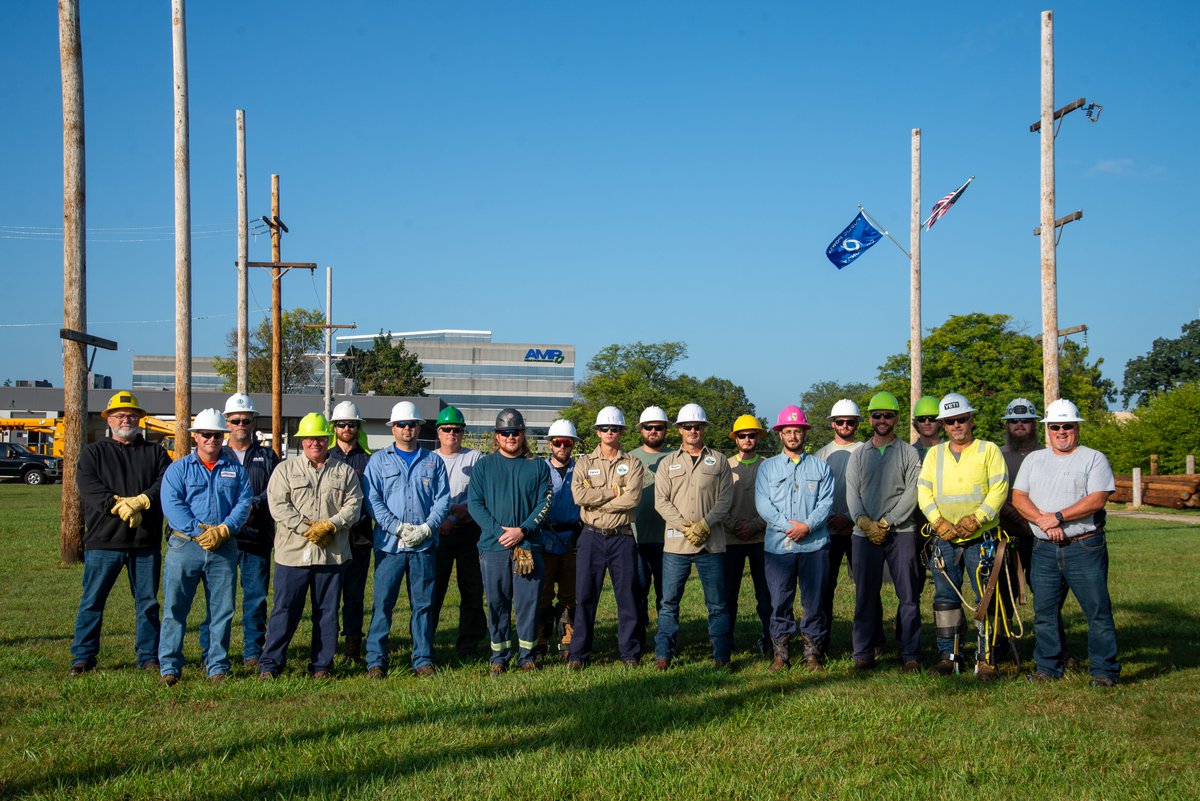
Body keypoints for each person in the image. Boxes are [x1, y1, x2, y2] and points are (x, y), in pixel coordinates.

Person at [1012, 399, 1119, 687]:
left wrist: (1058, 517)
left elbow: (1097, 498)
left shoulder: (1093, 458)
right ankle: (1048, 667)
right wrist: (1043, 521)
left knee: (1097, 611)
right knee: (1045, 612)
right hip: (1044, 549)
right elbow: (1019, 497)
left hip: (1084, 547)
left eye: (1067, 426)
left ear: (1077, 428)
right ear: (1047, 429)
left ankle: (1104, 672)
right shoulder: (1034, 460)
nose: (1061, 431)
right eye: (1055, 426)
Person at [69, 391, 172, 676]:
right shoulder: (94, 453)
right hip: (103, 542)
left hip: (144, 542)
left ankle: (149, 656)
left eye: (131, 415)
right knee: (92, 601)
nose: (126, 420)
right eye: (119, 416)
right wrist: (117, 506)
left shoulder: (156, 452)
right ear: (110, 420)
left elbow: (166, 482)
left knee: (148, 603)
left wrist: (142, 501)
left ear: (139, 419)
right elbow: (88, 486)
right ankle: (83, 657)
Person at [260, 413, 363, 679]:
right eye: (309, 439)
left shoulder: (345, 472)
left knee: (327, 612)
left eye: (319, 438)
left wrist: (331, 525)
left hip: (331, 555)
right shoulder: (285, 470)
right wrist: (307, 528)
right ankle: (271, 664)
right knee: (284, 610)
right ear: (302, 441)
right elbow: (278, 506)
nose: (314, 443)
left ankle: (321, 665)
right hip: (293, 554)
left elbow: (354, 505)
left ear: (327, 440)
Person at [916, 393, 1009, 680]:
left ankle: (987, 659)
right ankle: (949, 656)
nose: (957, 425)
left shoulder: (988, 450)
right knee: (945, 599)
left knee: (987, 598)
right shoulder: (935, 454)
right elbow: (924, 491)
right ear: (944, 425)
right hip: (944, 538)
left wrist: (977, 518)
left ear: (971, 420)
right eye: (951, 421)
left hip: (981, 539)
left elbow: (999, 489)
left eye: (962, 419)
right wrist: (937, 521)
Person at [158, 409, 252, 685]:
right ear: (195, 437)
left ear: (223, 438)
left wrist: (225, 529)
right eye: (206, 434)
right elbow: (173, 505)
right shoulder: (178, 469)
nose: (212, 439)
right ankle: (170, 668)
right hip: (184, 547)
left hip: (223, 547)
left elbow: (243, 503)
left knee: (222, 610)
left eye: (217, 435)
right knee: (175, 609)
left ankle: (217, 666)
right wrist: (199, 533)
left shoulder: (236, 470)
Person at [363, 401, 450, 678]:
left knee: (423, 605)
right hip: (390, 547)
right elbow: (373, 500)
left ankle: (423, 659)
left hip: (423, 546)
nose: (407, 429)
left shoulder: (433, 461)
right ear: (393, 428)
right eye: (402, 424)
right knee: (383, 604)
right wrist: (397, 528)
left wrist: (427, 528)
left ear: (419, 426)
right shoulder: (378, 461)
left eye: (412, 424)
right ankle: (376, 661)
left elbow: (443, 499)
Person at [197, 392, 279, 670]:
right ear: (227, 423)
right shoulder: (217, 453)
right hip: (222, 540)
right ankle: (210, 652)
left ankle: (252, 652)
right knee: (218, 600)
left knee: (255, 599)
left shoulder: (268, 456)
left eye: (246, 419)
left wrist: (253, 506)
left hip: (257, 538)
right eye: (235, 420)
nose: (241, 424)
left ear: (254, 422)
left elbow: (277, 489)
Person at [467, 408, 552, 674]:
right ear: (497, 436)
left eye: (515, 432)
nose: (511, 437)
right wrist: (498, 531)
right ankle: (499, 656)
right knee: (496, 601)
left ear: (523, 434)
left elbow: (544, 503)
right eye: (505, 432)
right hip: (493, 547)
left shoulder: (537, 465)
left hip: (528, 545)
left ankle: (526, 655)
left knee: (527, 603)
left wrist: (522, 531)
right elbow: (474, 504)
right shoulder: (484, 466)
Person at [844, 392, 923, 672]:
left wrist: (887, 522)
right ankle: (863, 653)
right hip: (863, 535)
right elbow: (852, 494)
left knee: (909, 596)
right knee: (865, 594)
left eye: (887, 415)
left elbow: (913, 493)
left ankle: (911, 653)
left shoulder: (908, 453)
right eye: (877, 415)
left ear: (897, 419)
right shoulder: (859, 455)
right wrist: (865, 523)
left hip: (901, 532)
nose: (882, 420)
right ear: (869, 419)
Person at [653, 403, 734, 670]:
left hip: (711, 544)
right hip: (676, 544)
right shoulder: (667, 463)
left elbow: (725, 499)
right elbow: (661, 501)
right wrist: (686, 527)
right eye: (688, 426)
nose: (693, 430)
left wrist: (705, 524)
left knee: (718, 604)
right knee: (668, 603)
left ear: (704, 428)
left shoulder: (719, 460)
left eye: (697, 426)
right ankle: (664, 655)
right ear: (679, 430)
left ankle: (721, 656)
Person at [754, 406, 834, 673]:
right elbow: (763, 504)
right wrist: (789, 528)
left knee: (814, 602)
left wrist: (807, 526)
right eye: (787, 431)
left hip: (814, 546)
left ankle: (812, 654)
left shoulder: (821, 467)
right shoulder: (767, 468)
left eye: (797, 431)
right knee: (779, 601)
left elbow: (826, 503)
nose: (792, 436)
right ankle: (781, 654)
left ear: (804, 433)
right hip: (779, 547)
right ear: (780, 435)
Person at [569, 406, 645, 669]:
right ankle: (578, 654)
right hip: (590, 537)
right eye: (605, 428)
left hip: (621, 538)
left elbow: (633, 498)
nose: (609, 432)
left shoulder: (632, 463)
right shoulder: (584, 463)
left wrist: (598, 502)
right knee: (586, 597)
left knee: (627, 597)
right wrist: (614, 493)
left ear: (621, 431)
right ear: (598, 432)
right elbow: (579, 497)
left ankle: (629, 653)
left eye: (614, 428)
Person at [429, 405, 487, 661]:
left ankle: (469, 646)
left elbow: (480, 495)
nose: (452, 433)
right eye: (447, 429)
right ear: (438, 432)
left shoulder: (475, 458)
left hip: (469, 533)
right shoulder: (428, 459)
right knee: (433, 591)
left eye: (457, 429)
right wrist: (450, 512)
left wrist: (458, 514)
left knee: (472, 590)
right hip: (438, 532)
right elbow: (426, 497)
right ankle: (426, 643)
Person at [813, 399, 864, 658]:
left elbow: (871, 492)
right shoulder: (822, 454)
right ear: (832, 423)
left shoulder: (866, 451)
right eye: (840, 421)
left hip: (859, 531)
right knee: (824, 588)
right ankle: (820, 643)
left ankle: (868, 643)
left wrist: (850, 518)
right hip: (827, 531)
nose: (845, 425)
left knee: (865, 588)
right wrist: (832, 518)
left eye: (850, 421)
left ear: (857, 423)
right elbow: (814, 495)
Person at [327, 400, 374, 662]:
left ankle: (353, 649)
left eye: (351, 424)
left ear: (358, 427)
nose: (347, 428)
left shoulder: (369, 460)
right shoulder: (326, 457)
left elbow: (373, 499)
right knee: (330, 594)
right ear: (334, 427)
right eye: (342, 424)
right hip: (332, 537)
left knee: (354, 595)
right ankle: (327, 646)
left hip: (359, 536)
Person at [724, 414, 771, 656]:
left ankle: (769, 641)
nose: (747, 439)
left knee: (765, 595)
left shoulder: (768, 465)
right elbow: (718, 502)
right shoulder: (725, 465)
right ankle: (726, 642)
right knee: (728, 594)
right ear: (736, 439)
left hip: (761, 539)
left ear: (758, 437)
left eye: (752, 435)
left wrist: (755, 525)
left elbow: (775, 502)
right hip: (731, 540)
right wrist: (733, 525)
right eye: (742, 435)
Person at [537, 419, 583, 660]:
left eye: (567, 442)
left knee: (568, 596)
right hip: (544, 538)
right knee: (543, 595)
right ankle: (541, 642)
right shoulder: (538, 469)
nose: (562, 447)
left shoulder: (582, 471)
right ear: (550, 444)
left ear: (573, 444)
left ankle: (567, 643)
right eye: (558, 442)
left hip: (572, 541)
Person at [630, 405, 673, 654]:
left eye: (658, 427)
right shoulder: (629, 458)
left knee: (666, 598)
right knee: (637, 595)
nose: (654, 431)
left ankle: (666, 642)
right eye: (649, 427)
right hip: (635, 538)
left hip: (669, 540)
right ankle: (638, 642)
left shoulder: (676, 457)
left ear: (666, 429)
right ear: (641, 430)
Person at [999, 397, 1043, 585]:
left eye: (1025, 420)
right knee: (1005, 593)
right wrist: (1019, 519)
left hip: (1040, 536)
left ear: (1034, 424)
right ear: (1006, 426)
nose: (1019, 424)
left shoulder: (1046, 455)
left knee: (1045, 592)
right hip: (1006, 535)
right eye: (1014, 421)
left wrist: (1032, 521)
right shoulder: (996, 455)